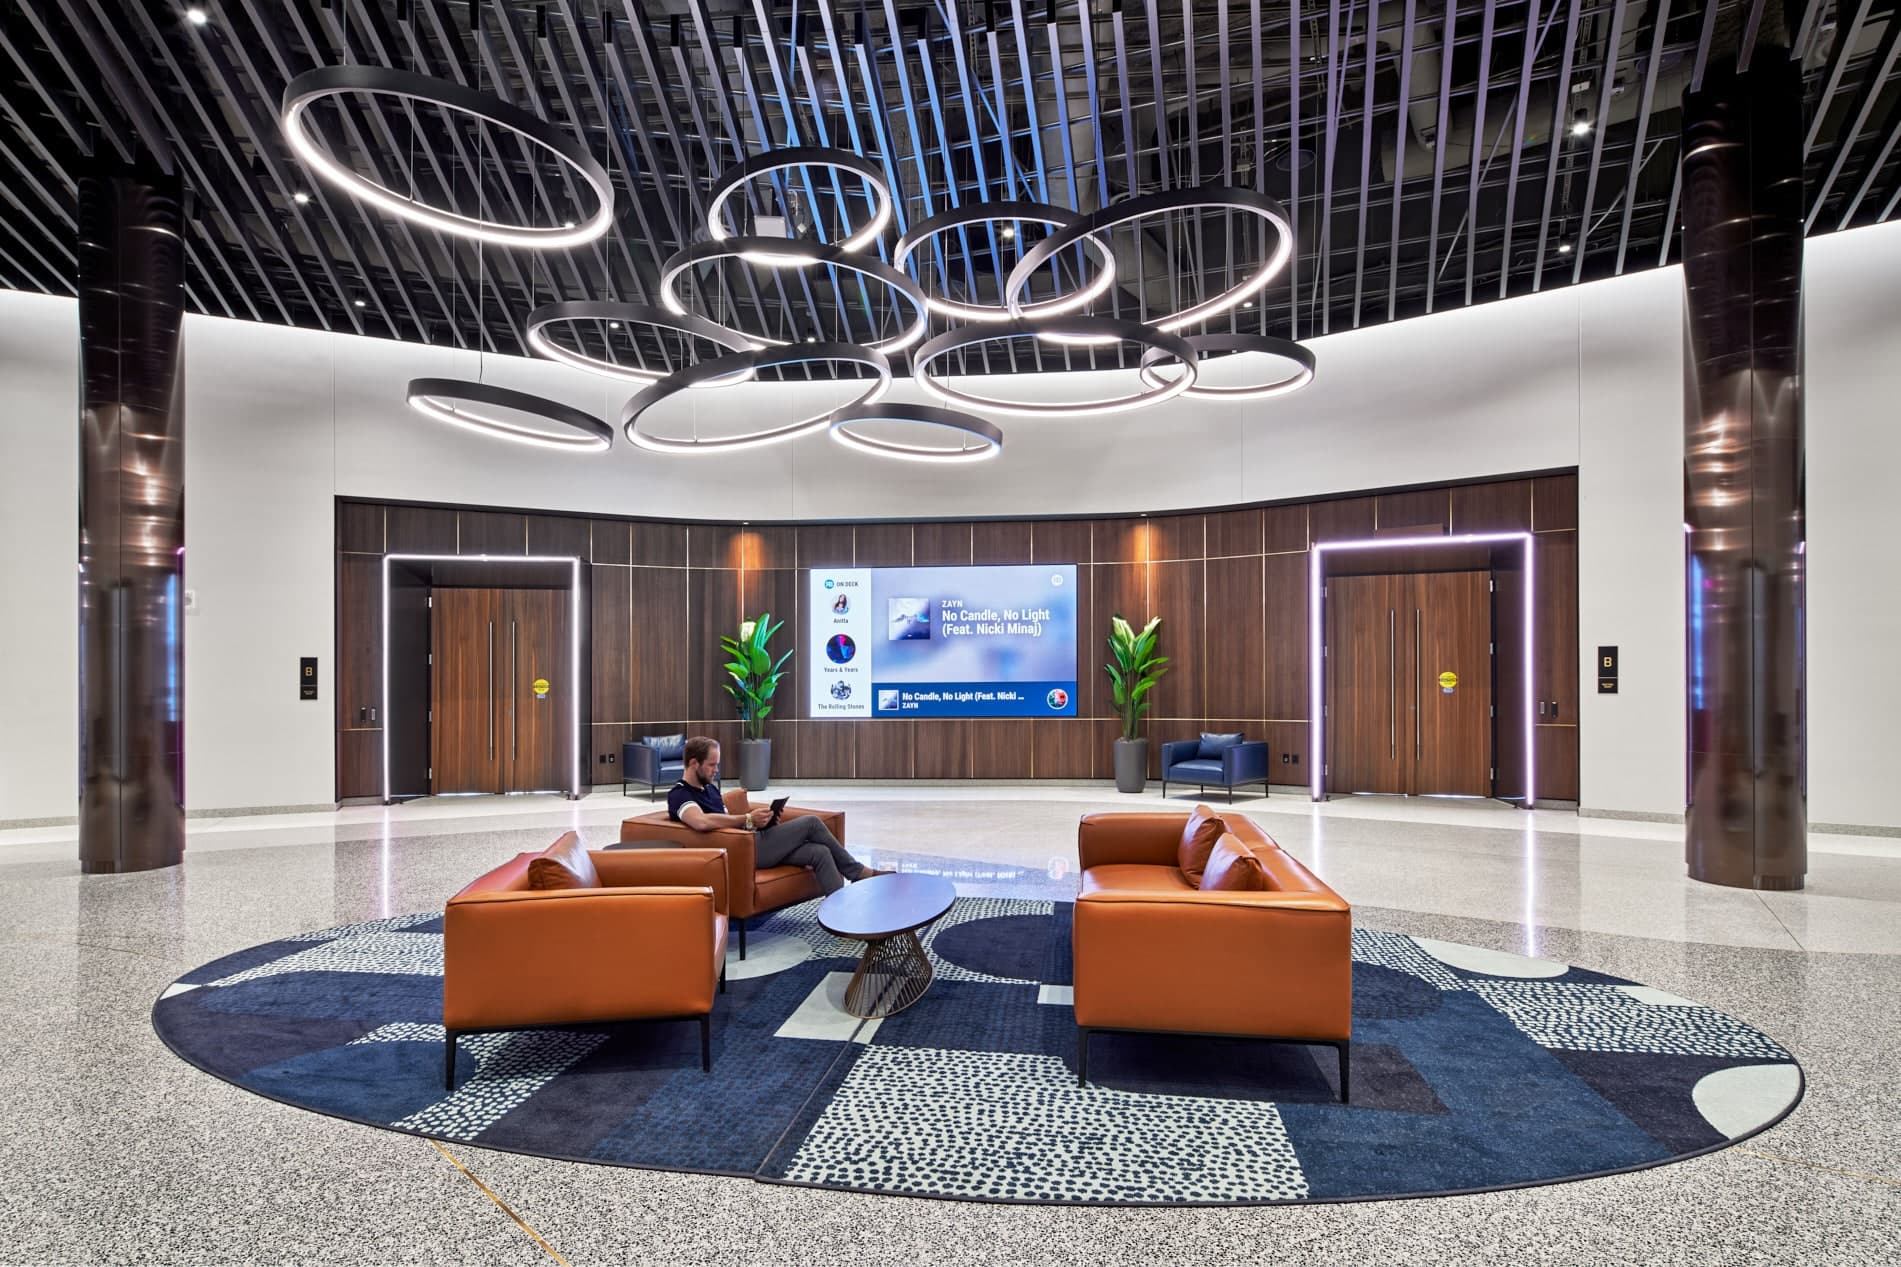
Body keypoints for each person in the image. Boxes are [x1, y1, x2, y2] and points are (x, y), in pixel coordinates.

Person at [667, 736, 885, 894]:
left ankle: (842, 918)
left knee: (819, 852)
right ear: (694, 763)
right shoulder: (679, 794)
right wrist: (747, 818)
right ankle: (858, 872)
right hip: (741, 853)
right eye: (711, 765)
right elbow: (701, 821)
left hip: (750, 841)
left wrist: (760, 822)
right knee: (811, 823)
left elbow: (729, 825)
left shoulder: (710, 789)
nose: (716, 770)